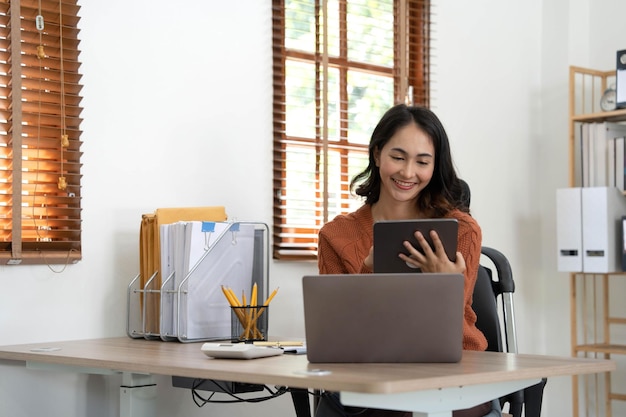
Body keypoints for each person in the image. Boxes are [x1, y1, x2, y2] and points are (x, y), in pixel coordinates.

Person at [315, 104, 498, 417]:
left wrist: (445, 286)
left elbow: (445, 333)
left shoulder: (463, 231)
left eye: (422, 162)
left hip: (455, 375)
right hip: (369, 380)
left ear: (434, 166)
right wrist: (368, 274)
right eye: (398, 157)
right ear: (377, 155)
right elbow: (339, 336)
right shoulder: (336, 235)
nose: (408, 172)